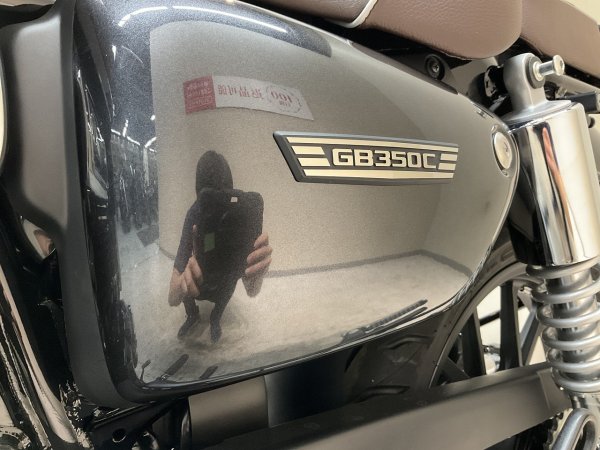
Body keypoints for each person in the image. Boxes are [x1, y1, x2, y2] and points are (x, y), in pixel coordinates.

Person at [167, 151, 272, 342]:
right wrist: (183, 282)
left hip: (224, 276)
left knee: (228, 278)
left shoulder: (238, 214)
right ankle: (193, 315)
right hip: (202, 272)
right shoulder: (195, 213)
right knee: (192, 272)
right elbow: (172, 296)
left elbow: (251, 289)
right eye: (211, 198)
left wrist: (256, 278)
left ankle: (215, 318)